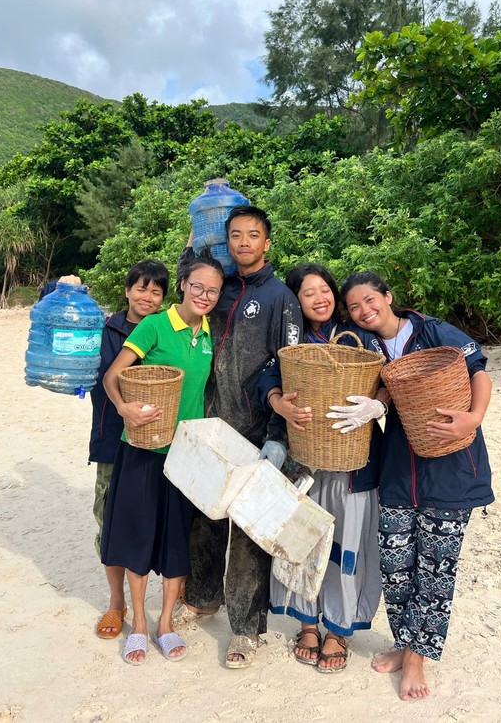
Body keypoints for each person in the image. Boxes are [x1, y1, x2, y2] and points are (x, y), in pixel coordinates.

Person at [335, 271, 494, 701]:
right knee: (396, 565)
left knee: (435, 569)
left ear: (388, 297)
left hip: (450, 468)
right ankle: (404, 644)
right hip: (397, 470)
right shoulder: (366, 345)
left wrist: (473, 417)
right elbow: (377, 388)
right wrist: (377, 403)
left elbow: (478, 370)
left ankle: (418, 658)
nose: (364, 311)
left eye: (370, 300)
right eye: (354, 307)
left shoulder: (433, 331)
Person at [175, 205, 302, 668]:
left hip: (257, 427)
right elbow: (186, 285)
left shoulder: (281, 297)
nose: (243, 242)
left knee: (249, 532)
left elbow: (290, 365)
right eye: (235, 234)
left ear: (267, 242)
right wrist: (191, 244)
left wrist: (278, 434)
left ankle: (246, 629)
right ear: (225, 241)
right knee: (205, 518)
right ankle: (203, 598)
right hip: (213, 421)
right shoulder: (221, 288)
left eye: (253, 234)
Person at [257, 263, 385, 673]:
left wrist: (377, 404)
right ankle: (308, 624)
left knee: (347, 543)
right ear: (296, 300)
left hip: (354, 464)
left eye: (325, 289)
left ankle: (339, 628)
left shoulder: (359, 337)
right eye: (308, 292)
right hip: (305, 460)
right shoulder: (291, 341)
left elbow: (389, 377)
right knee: (304, 540)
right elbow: (266, 378)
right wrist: (278, 403)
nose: (319, 298)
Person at [100, 253, 224, 665]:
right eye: (198, 286)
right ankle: (138, 624)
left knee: (175, 542)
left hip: (184, 456)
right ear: (183, 285)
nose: (204, 295)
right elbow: (113, 375)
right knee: (138, 537)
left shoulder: (210, 332)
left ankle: (165, 623)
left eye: (213, 291)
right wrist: (124, 408)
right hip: (142, 449)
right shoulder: (154, 325)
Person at [82, 262, 169, 640]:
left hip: (156, 442)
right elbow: (61, 323)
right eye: (141, 288)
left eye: (156, 292)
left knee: (155, 519)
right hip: (111, 439)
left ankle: (170, 600)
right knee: (109, 520)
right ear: (127, 290)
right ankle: (117, 602)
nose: (147, 297)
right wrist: (59, 285)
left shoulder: (166, 331)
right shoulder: (104, 329)